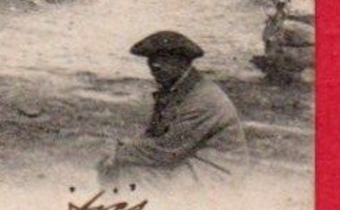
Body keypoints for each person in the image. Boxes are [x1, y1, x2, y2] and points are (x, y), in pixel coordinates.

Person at [97, 30, 248, 190]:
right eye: (151, 59)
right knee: (116, 169)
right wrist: (120, 148)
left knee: (130, 174)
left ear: (182, 62)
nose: (154, 65)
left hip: (216, 173)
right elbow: (155, 135)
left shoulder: (203, 98)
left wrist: (119, 153)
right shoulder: (176, 90)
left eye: (163, 58)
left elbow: (167, 150)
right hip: (190, 161)